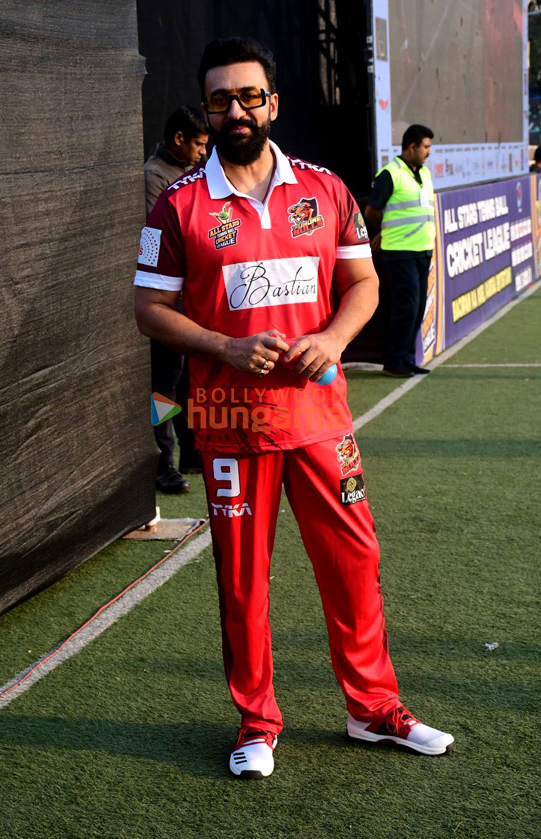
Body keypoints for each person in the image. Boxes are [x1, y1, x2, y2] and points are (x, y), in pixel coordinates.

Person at [134, 37, 454, 778]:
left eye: (249, 97)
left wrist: (334, 339)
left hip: (320, 420)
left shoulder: (325, 188)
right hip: (231, 428)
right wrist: (223, 345)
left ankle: (373, 709)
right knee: (243, 580)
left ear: (272, 102)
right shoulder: (176, 204)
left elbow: (363, 285)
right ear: (206, 111)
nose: (236, 111)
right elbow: (148, 308)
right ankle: (255, 723)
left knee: (353, 562)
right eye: (220, 100)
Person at [145, 107, 209, 492]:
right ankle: (162, 461)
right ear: (179, 139)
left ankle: (191, 450)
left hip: (189, 296)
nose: (203, 152)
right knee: (164, 385)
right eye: (198, 144)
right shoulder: (153, 177)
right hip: (165, 300)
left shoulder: (192, 175)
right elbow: (155, 239)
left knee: (187, 380)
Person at [365, 125, 435, 378]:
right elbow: (371, 211)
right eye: (425, 147)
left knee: (417, 308)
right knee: (407, 306)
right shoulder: (390, 174)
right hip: (399, 250)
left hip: (422, 249)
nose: (428, 152)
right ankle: (393, 360)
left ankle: (405, 358)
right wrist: (384, 229)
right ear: (412, 147)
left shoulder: (424, 173)